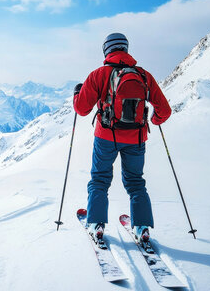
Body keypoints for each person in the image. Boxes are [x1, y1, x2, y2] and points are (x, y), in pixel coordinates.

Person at [73, 33, 171, 242]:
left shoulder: (98, 75)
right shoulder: (144, 75)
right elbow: (165, 110)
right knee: (136, 182)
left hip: (106, 137)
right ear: (126, 48)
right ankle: (142, 227)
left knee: (99, 179)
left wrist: (76, 94)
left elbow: (81, 109)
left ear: (106, 50)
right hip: (136, 138)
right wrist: (153, 121)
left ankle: (96, 223)